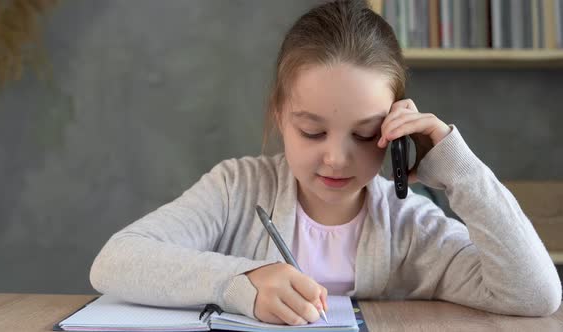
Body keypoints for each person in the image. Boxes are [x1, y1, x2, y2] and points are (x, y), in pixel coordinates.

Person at [89, 0, 561, 325]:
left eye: (363, 134)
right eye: (312, 131)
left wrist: (458, 168)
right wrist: (241, 281)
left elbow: (536, 296)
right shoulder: (236, 189)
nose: (336, 157)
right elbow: (114, 262)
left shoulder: (411, 226)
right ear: (279, 115)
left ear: (395, 129)